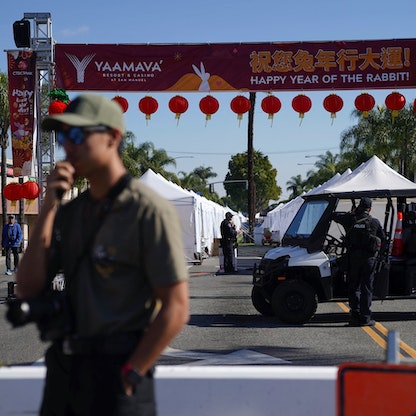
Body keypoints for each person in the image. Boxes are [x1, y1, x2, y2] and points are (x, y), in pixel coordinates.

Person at [15, 94, 189, 415]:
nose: (69, 146)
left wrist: (132, 372)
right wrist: (50, 207)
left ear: (112, 137)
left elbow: (176, 307)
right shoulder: (70, 214)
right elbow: (27, 287)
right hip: (66, 369)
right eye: (64, 137)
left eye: (79, 135)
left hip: (119, 370)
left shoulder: (146, 210)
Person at [333, 197, 385, 326]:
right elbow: (383, 239)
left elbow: (334, 215)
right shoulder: (374, 222)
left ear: (359, 207)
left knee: (354, 287)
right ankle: (366, 318)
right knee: (367, 288)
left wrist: (351, 213)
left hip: (353, 259)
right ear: (370, 209)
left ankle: (355, 316)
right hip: (369, 260)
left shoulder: (350, 220)